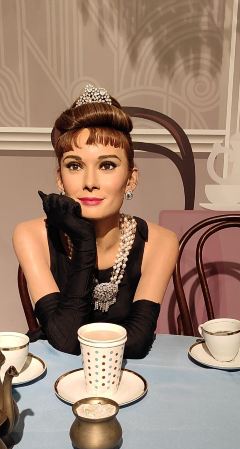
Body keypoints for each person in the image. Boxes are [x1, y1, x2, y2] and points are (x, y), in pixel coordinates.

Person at [13, 84, 179, 358]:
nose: (90, 182)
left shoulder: (160, 241)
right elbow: (65, 340)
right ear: (60, 179)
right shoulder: (30, 235)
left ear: (131, 179)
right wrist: (84, 242)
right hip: (58, 371)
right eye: (75, 165)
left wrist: (83, 239)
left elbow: (137, 344)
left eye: (107, 165)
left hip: (128, 374)